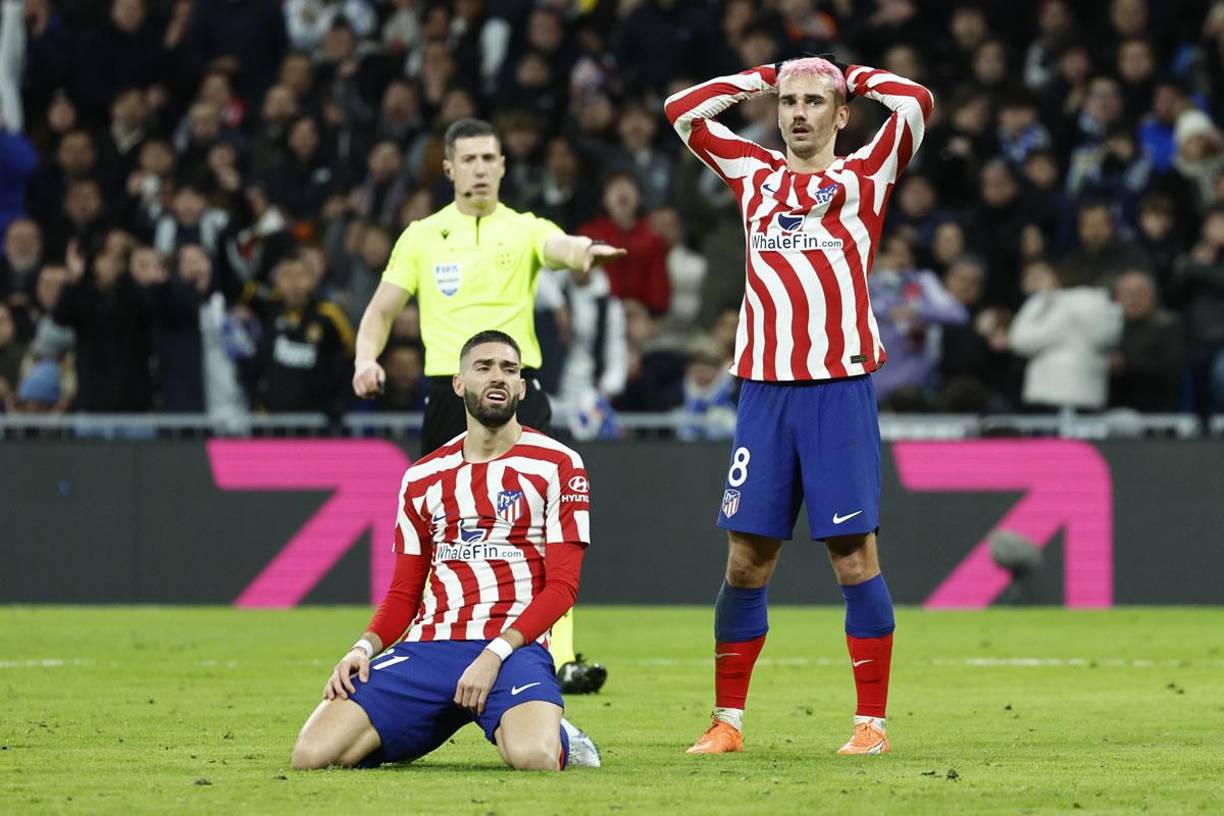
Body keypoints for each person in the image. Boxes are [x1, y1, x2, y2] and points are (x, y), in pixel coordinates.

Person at [665, 54, 933, 756]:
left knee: (853, 556)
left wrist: (856, 73)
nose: (800, 112)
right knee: (746, 561)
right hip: (764, 393)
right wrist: (758, 75)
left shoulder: (865, 174)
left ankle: (870, 725)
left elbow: (916, 103)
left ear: (840, 115)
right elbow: (681, 112)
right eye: (790, 102)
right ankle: (728, 721)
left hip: (838, 391)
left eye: (816, 101)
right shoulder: (753, 172)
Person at [351, 117, 622, 693]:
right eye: (468, 159)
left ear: (503, 166)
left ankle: (562, 656)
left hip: (518, 390)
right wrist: (365, 360)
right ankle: (434, 638)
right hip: (451, 395)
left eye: (488, 159)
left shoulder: (523, 229)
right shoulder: (423, 236)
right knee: (440, 532)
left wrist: (579, 251)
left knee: (548, 529)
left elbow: (557, 245)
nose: (479, 169)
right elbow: (378, 310)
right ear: (449, 167)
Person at [291, 330, 600, 771]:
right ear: (458, 384)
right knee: (312, 756)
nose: (498, 377)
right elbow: (404, 594)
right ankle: (434, 714)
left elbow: (563, 587)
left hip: (512, 648)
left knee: (535, 758)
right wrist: (361, 648)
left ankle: (561, 735)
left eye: (509, 370)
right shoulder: (422, 477)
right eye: (484, 367)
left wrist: (495, 653)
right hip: (430, 647)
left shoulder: (559, 464)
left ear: (521, 387)